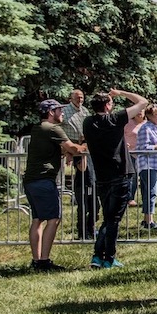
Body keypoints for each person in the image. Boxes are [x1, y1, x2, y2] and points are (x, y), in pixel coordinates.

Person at [84, 89, 148, 269]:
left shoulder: (88, 122)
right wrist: (120, 92)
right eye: (111, 103)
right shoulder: (114, 119)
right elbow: (142, 102)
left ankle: (98, 256)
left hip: (102, 176)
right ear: (107, 106)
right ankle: (108, 258)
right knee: (113, 220)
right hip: (120, 174)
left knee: (108, 217)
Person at [24, 99, 85, 271]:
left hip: (31, 180)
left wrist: (65, 151)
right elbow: (73, 148)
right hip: (44, 180)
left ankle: (36, 261)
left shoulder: (38, 128)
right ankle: (44, 261)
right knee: (53, 218)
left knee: (37, 219)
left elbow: (54, 149)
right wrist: (85, 145)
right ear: (51, 112)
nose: (62, 113)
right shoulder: (52, 128)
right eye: (59, 110)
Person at [60, 89, 95, 239]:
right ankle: (82, 230)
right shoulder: (64, 112)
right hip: (73, 147)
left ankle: (90, 227)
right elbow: (61, 131)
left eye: (82, 97)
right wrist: (68, 151)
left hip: (85, 147)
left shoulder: (85, 111)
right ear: (71, 98)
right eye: (77, 97)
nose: (80, 99)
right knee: (83, 184)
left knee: (90, 185)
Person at [135, 104, 157, 230]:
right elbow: (143, 148)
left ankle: (148, 219)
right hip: (148, 165)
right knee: (150, 192)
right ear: (148, 116)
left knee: (153, 192)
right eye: (156, 114)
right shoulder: (145, 128)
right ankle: (149, 221)